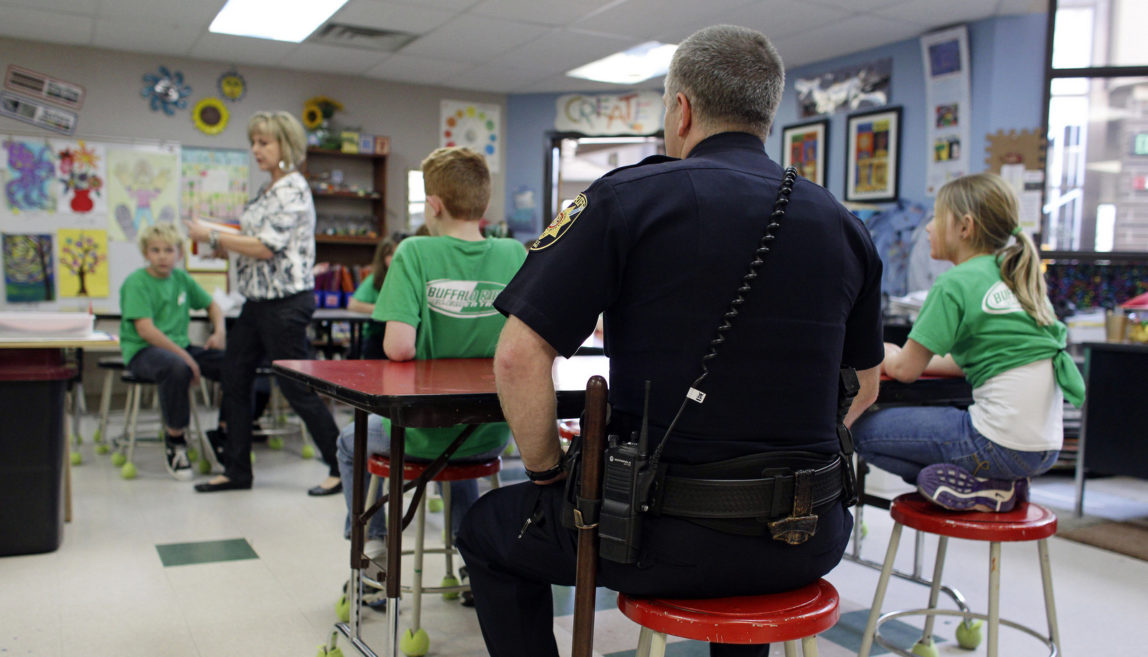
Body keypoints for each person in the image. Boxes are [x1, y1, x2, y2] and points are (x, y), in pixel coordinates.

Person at [457, 25, 883, 657]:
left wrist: (549, 474)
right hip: (807, 537)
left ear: (681, 109)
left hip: (653, 537)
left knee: (486, 529)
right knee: (740, 549)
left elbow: (519, 356)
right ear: (766, 116)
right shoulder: (843, 224)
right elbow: (865, 386)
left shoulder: (627, 199)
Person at [334, 146, 526, 568]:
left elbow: (398, 348)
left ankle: (375, 543)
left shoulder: (414, 253)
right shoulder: (515, 254)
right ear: (484, 203)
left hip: (422, 431)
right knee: (456, 439)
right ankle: (472, 557)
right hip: (492, 432)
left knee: (350, 442)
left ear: (434, 205)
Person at [852, 173, 1085, 512]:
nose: (928, 227)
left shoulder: (954, 283)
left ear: (965, 226)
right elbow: (965, 362)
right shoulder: (1017, 278)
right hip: (1045, 448)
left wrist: (885, 354)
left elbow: (904, 371)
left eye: (936, 216)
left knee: (861, 431)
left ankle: (980, 485)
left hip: (997, 444)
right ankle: (996, 485)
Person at [185, 110, 341, 494]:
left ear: (285, 145)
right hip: (257, 301)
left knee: (295, 388)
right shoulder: (268, 190)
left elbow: (267, 247)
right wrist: (222, 248)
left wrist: (215, 238)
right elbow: (253, 241)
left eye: (264, 142)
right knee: (234, 378)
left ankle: (342, 466)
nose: (256, 149)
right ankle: (237, 470)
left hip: (285, 303)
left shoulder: (292, 189)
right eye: (253, 142)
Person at [119, 223, 226, 480]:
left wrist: (219, 332)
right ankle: (176, 440)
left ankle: (223, 434)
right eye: (155, 250)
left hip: (180, 347)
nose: (162, 256)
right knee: (176, 367)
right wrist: (187, 358)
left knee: (234, 364)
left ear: (179, 253)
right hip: (144, 351)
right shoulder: (136, 283)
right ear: (146, 253)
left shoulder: (182, 280)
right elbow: (145, 330)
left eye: (169, 250)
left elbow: (213, 306)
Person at [345, 237, 396, 359]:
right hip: (377, 336)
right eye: (390, 254)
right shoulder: (374, 280)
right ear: (382, 258)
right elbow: (353, 304)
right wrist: (381, 309)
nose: (395, 258)